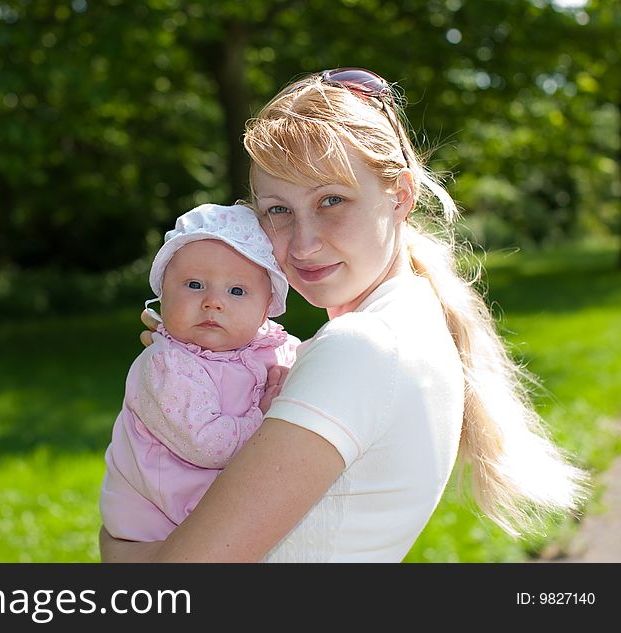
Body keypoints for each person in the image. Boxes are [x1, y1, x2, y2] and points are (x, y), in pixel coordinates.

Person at [100, 68, 590, 562]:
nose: (304, 242)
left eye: (331, 200)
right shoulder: (409, 319)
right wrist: (203, 367)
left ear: (401, 195)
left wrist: (118, 548)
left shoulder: (361, 347)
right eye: (277, 210)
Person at [100, 203, 300, 542]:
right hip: (163, 520)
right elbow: (207, 445)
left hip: (217, 510)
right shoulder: (168, 365)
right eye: (193, 284)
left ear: (266, 307)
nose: (212, 302)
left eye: (236, 291)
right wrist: (265, 417)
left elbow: (307, 367)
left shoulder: (272, 346)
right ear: (161, 294)